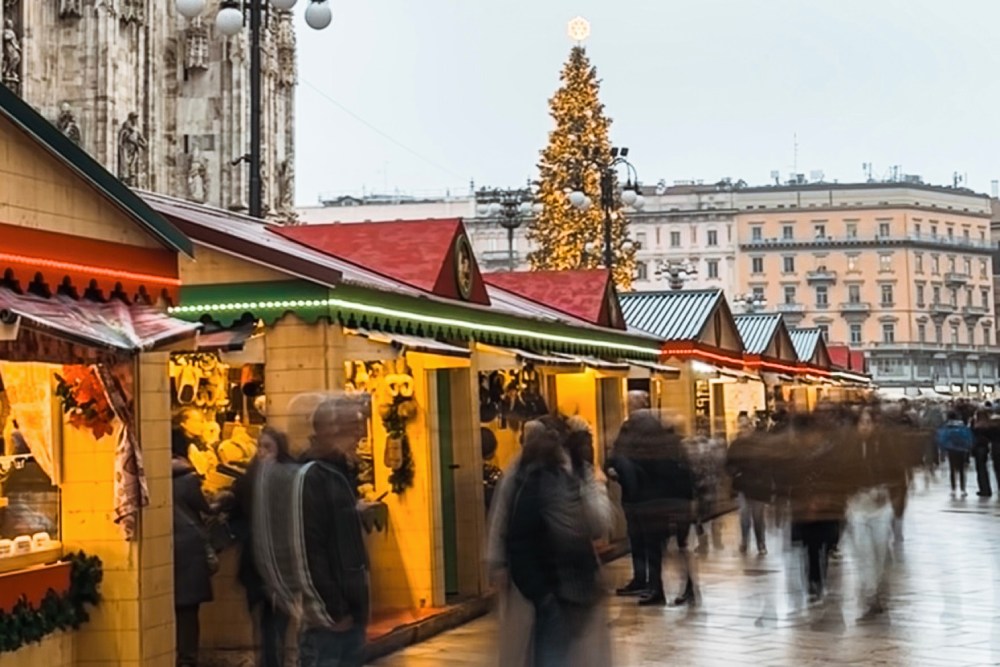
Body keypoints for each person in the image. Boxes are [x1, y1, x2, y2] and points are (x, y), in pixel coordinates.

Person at [505, 418, 603, 667]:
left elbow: (596, 525)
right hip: (554, 587)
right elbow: (519, 540)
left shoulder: (569, 481)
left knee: (559, 648)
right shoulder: (537, 485)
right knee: (553, 650)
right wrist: (540, 592)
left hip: (570, 587)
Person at [295, 397, 371, 667]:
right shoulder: (313, 475)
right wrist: (333, 609)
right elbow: (309, 547)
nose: (360, 434)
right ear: (330, 430)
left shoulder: (338, 471)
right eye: (353, 426)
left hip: (348, 610)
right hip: (330, 618)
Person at [232, 427, 294, 667]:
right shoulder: (247, 482)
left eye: (268, 447)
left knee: (278, 621)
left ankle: (276, 659)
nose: (262, 453)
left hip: (282, 562)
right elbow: (238, 516)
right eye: (260, 447)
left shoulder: (288, 480)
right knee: (265, 622)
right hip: (256, 564)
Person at [172, 436, 216, 667]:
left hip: (166, 551)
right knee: (188, 612)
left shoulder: (152, 476)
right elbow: (206, 507)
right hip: (189, 550)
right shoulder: (188, 479)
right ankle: (187, 659)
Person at [727, 412, 770, 556]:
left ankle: (760, 543)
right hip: (743, 485)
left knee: (758, 517)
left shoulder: (758, 443)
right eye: (742, 425)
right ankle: (745, 541)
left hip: (757, 485)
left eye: (746, 425)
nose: (744, 428)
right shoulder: (735, 444)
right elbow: (728, 463)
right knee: (744, 516)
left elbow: (766, 463)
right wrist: (735, 473)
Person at [937, 410, 973, 497]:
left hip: (951, 449)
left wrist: (943, 450)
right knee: (961, 470)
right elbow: (968, 437)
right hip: (962, 449)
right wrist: (968, 447)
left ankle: (953, 489)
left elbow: (942, 438)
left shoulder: (947, 426)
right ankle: (963, 489)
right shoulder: (962, 426)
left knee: (952, 469)